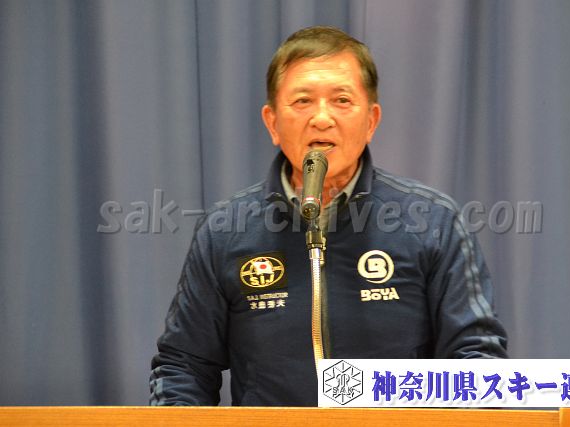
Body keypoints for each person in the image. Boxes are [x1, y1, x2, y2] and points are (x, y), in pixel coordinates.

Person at [150, 25, 507, 406]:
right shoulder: (225, 231)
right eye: (303, 101)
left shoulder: (432, 222)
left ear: (371, 121)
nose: (322, 118)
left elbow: (476, 359)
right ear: (272, 123)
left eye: (341, 100)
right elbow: (183, 367)